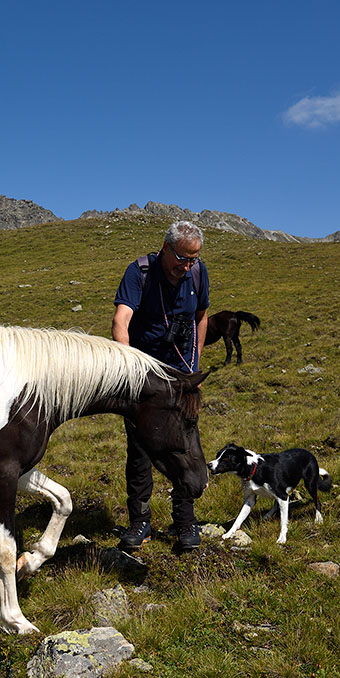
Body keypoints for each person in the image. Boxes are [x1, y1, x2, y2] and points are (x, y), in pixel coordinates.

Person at [111, 220, 210, 551]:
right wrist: (129, 370)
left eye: (193, 259)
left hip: (182, 375)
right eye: (182, 258)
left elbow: (202, 315)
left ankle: (185, 522)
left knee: (184, 445)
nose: (186, 266)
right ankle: (140, 523)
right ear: (166, 248)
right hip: (144, 380)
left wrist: (194, 363)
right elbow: (121, 320)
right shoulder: (139, 272)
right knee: (140, 450)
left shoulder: (197, 274)